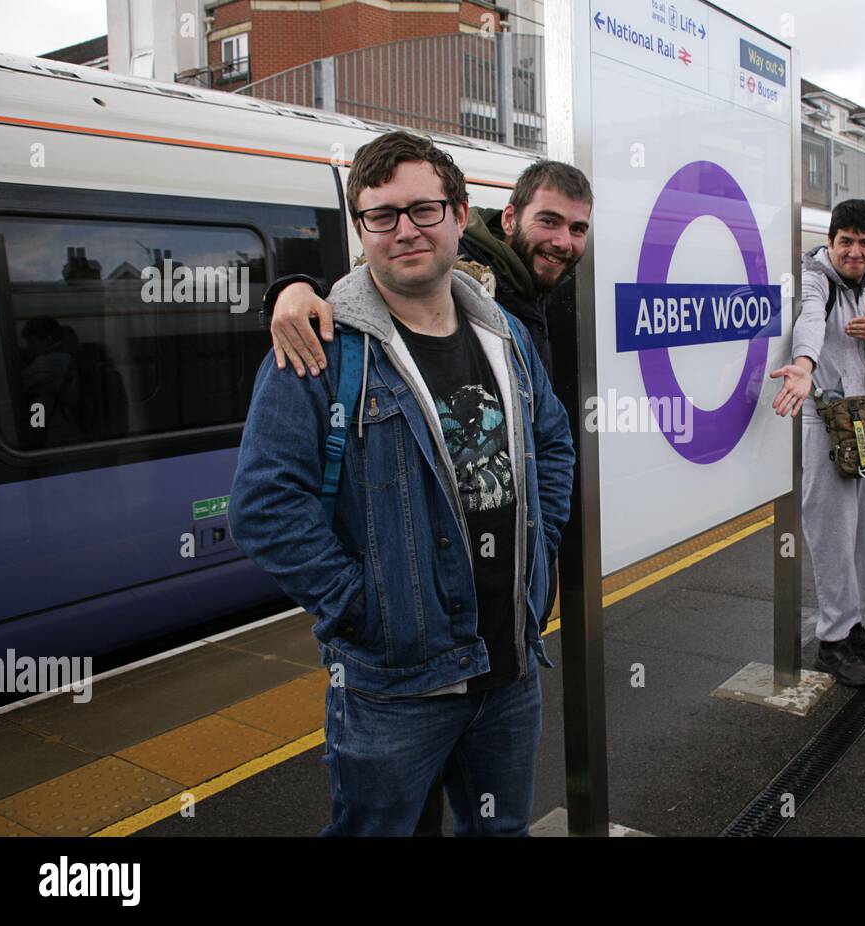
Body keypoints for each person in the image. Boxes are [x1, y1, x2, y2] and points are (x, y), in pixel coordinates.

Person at [230, 131, 575, 836]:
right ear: (361, 230)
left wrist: (539, 566)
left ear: (458, 213)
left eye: (423, 209)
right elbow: (264, 508)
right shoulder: (320, 351)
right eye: (381, 215)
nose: (404, 230)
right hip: (394, 687)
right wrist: (364, 609)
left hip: (510, 669)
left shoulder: (501, 333)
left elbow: (553, 444)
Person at [262, 159, 593, 384]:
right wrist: (296, 291)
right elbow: (375, 281)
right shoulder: (460, 270)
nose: (563, 242)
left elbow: (549, 437)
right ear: (509, 219)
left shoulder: (545, 282)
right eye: (548, 221)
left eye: (577, 229)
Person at [770, 199, 865, 687]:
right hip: (826, 423)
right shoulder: (815, 280)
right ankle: (831, 640)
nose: (853, 251)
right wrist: (804, 365)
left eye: (864, 243)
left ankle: (852, 623)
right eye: (844, 241)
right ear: (830, 241)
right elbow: (807, 320)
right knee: (831, 534)